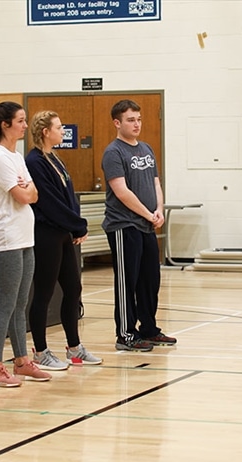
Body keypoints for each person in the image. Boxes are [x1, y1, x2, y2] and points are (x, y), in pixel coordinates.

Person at [0, 102, 50, 387]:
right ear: (5, 125)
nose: (24, 125)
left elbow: (34, 192)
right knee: (6, 304)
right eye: (20, 121)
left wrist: (28, 189)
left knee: (21, 303)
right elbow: (23, 196)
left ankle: (21, 360)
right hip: (8, 238)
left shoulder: (16, 156)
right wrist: (27, 190)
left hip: (25, 237)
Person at [24, 111, 102, 368]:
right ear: (45, 131)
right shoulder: (35, 161)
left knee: (73, 289)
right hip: (46, 233)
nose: (62, 131)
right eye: (58, 127)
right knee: (44, 293)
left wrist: (75, 226)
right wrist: (77, 225)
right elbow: (48, 202)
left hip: (63, 233)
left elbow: (68, 197)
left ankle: (74, 347)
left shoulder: (55, 158)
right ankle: (41, 351)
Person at [101, 99, 177, 352]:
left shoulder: (146, 148)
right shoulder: (114, 152)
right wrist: (147, 214)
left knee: (149, 280)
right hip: (125, 226)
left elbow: (156, 183)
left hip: (146, 224)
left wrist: (159, 210)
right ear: (117, 123)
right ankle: (125, 334)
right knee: (127, 282)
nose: (136, 124)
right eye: (130, 120)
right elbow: (121, 191)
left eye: (139, 119)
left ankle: (149, 329)